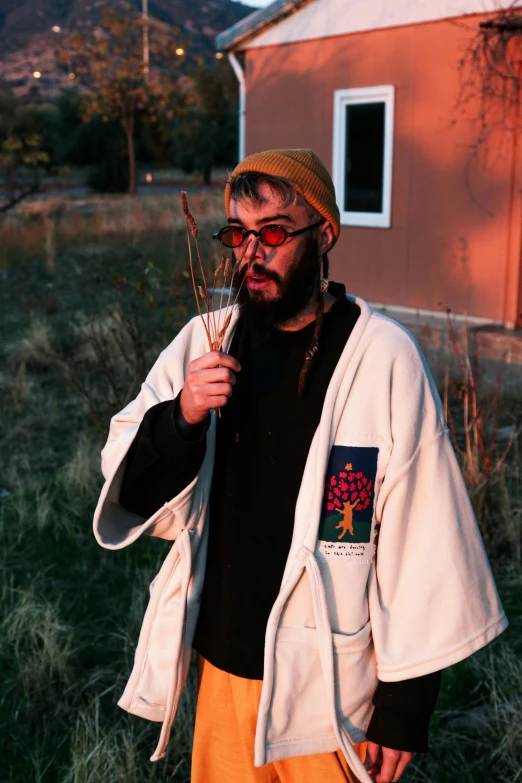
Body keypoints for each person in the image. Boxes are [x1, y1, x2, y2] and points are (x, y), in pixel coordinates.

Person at [93, 149, 508, 783]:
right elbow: (128, 482)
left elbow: (425, 538)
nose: (251, 253)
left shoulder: (380, 358)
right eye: (238, 234)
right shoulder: (208, 342)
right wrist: (182, 416)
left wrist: (404, 706)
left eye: (275, 232)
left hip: (330, 693)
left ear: (326, 234)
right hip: (224, 671)